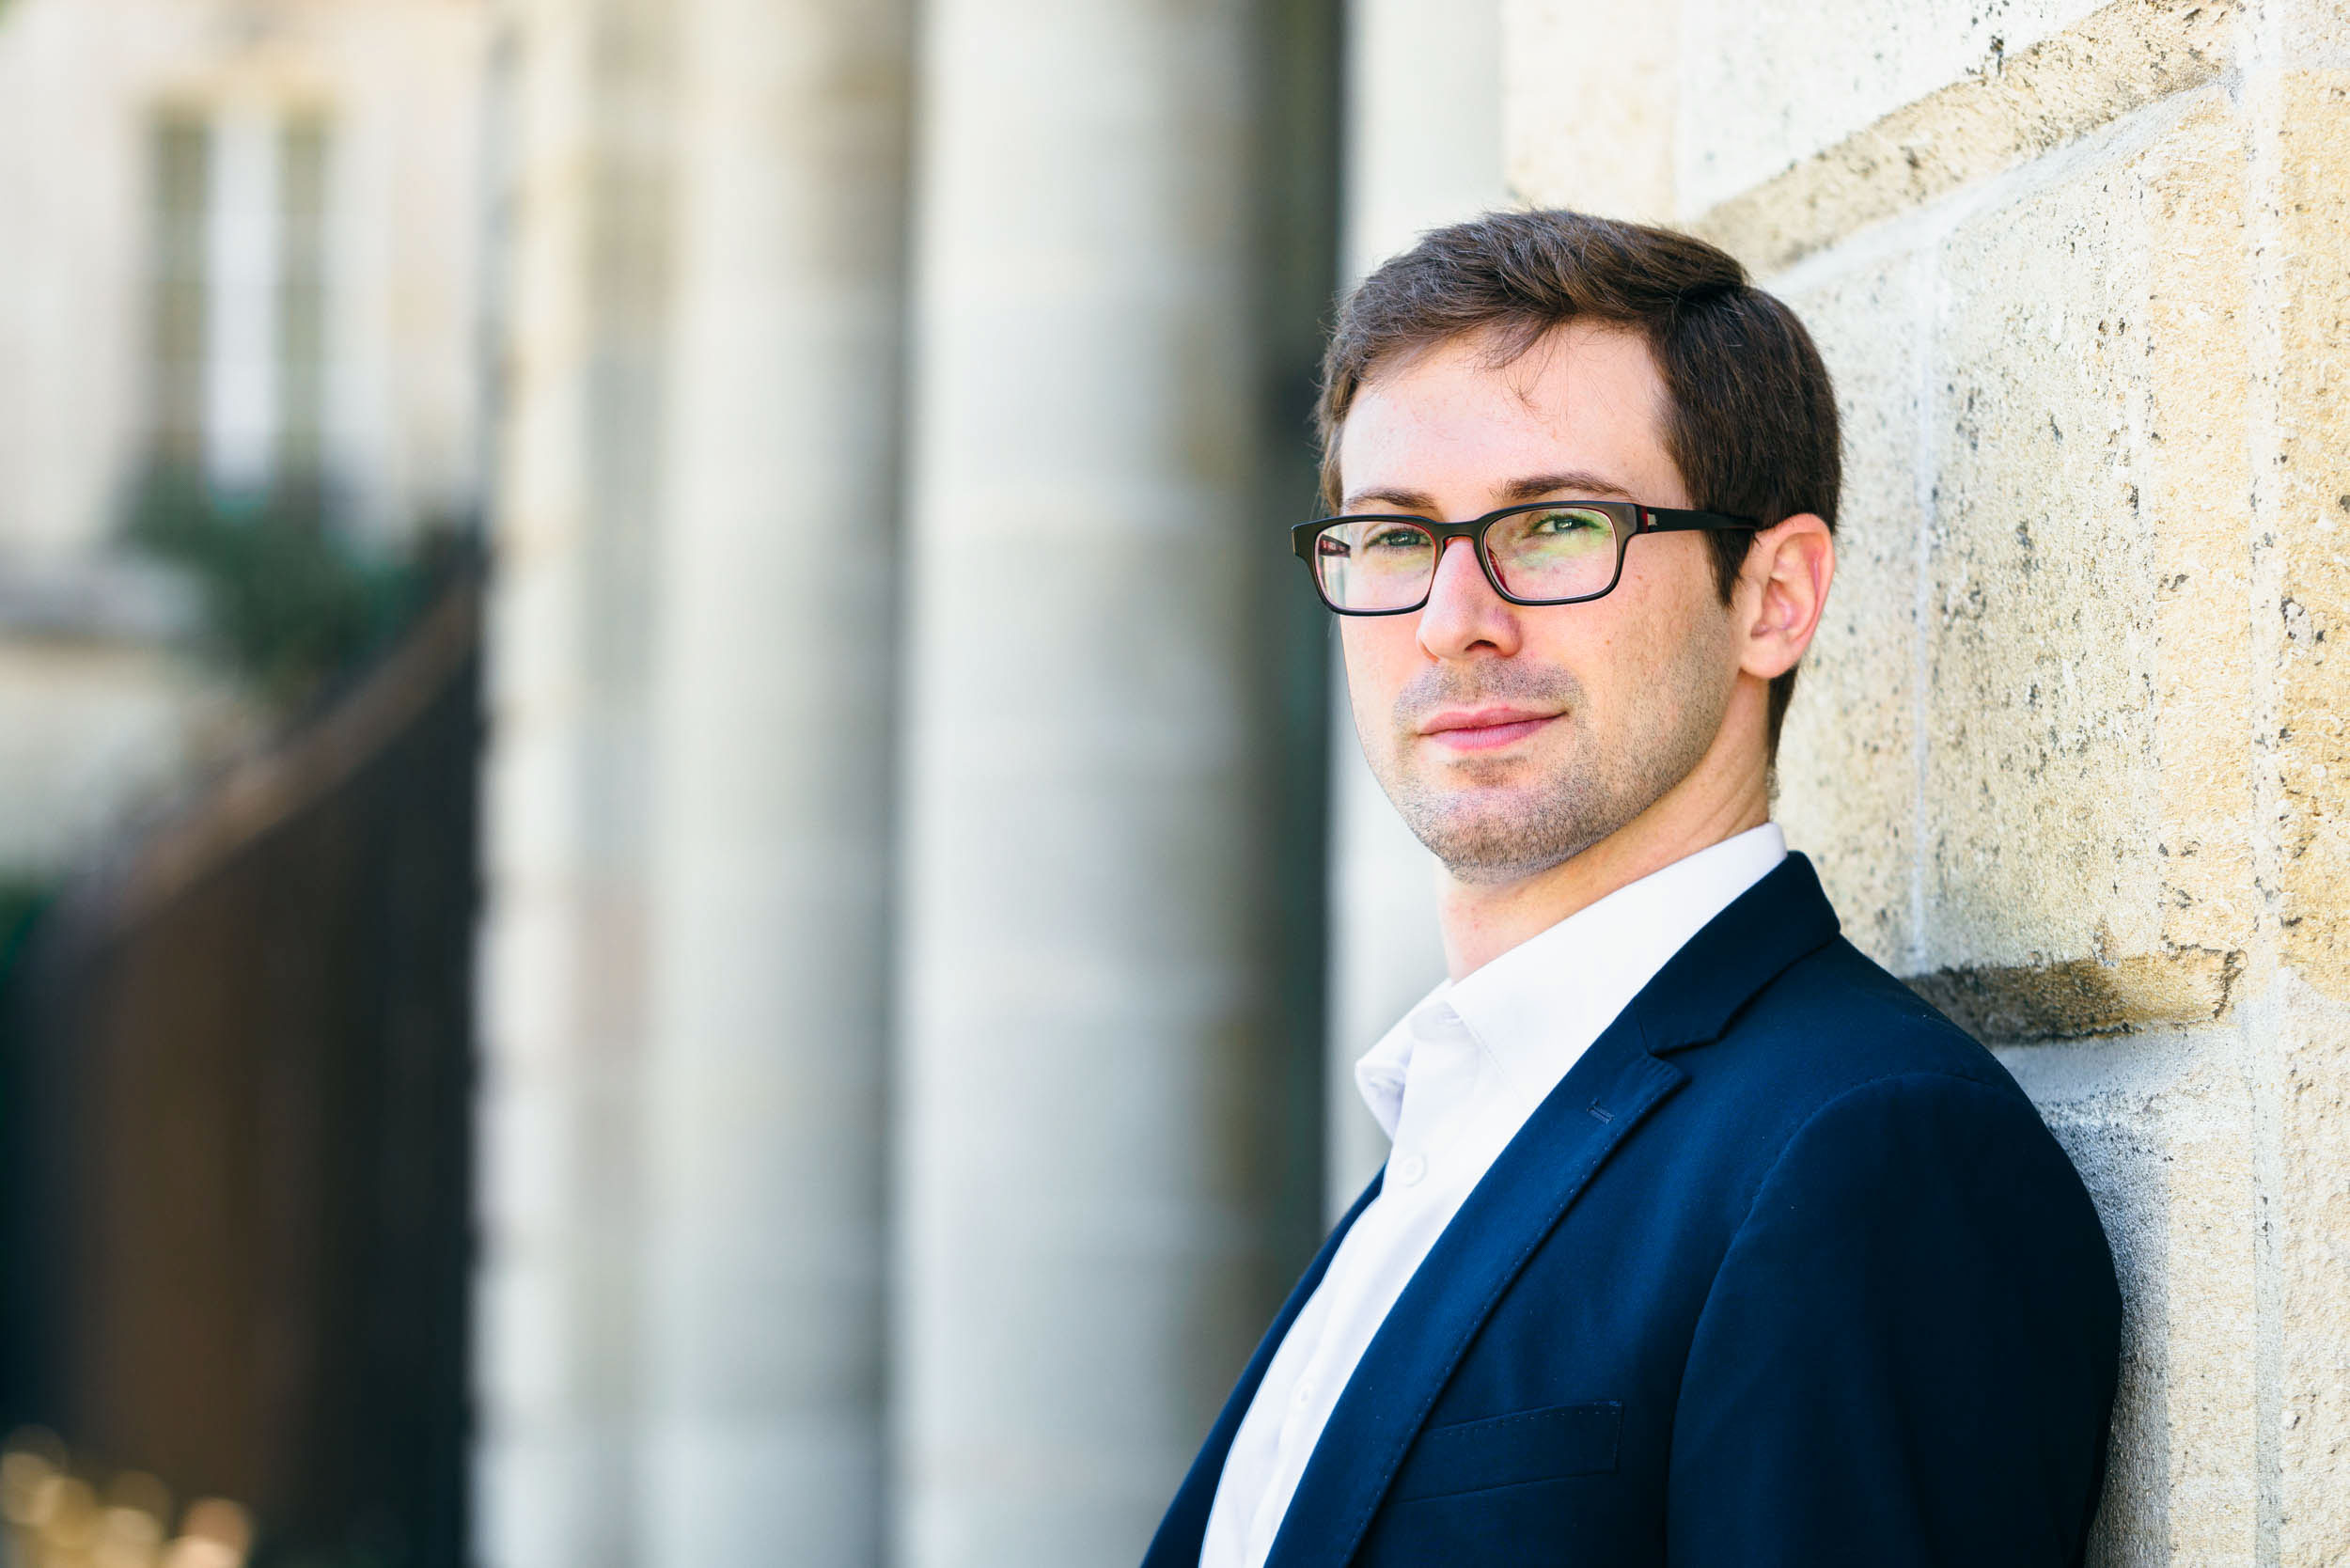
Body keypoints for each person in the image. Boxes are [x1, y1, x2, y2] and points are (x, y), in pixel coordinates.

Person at [1142, 210, 2121, 1568]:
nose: (1451, 622)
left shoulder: (1866, 1155)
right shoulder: (1458, 1119)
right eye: (1394, 537)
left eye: (1553, 525)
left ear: (1773, 598)